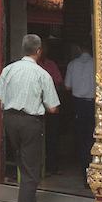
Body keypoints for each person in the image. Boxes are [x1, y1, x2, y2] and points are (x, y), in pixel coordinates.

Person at [0, 34, 60, 202]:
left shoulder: (9, 69)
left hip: (10, 120)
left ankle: (29, 200)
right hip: (30, 122)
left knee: (23, 161)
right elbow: (53, 107)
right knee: (31, 173)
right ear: (39, 51)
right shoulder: (42, 74)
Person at [64, 36, 95, 176]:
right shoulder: (96, 64)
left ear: (79, 49)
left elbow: (67, 87)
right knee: (93, 136)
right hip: (93, 104)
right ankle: (93, 166)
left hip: (78, 104)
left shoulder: (72, 64)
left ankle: (84, 168)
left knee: (81, 137)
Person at [39, 40, 63, 175]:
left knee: (52, 138)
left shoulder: (51, 64)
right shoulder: (34, 65)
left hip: (51, 107)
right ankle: (40, 167)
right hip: (37, 109)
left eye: (44, 48)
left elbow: (59, 83)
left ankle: (52, 166)